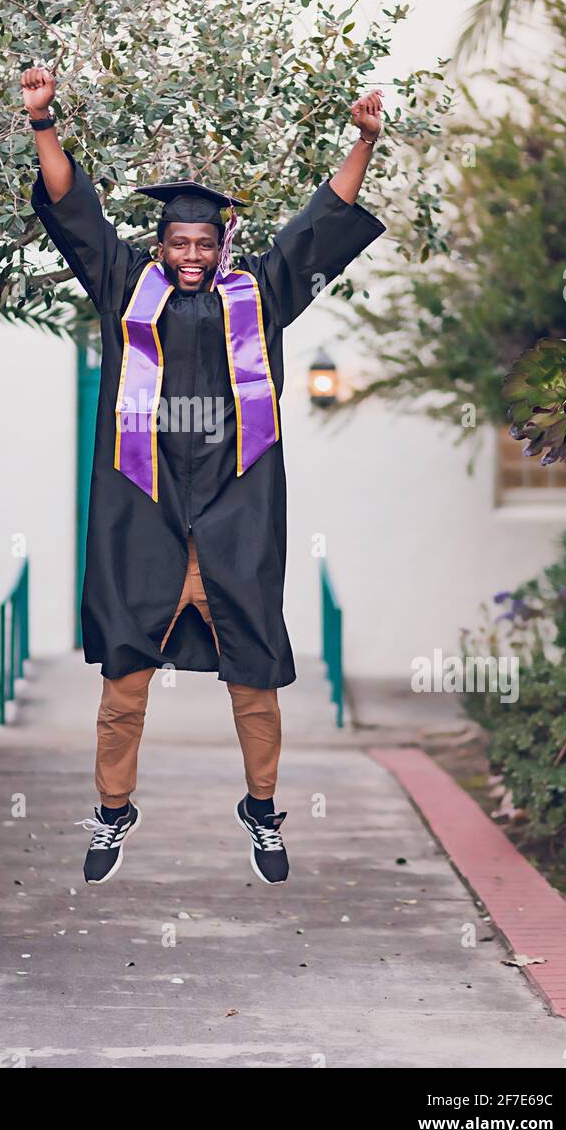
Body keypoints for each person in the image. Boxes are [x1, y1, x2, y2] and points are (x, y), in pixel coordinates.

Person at [23, 65, 386, 885]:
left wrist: (363, 140)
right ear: (161, 248)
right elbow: (75, 218)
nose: (191, 255)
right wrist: (44, 125)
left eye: (204, 244)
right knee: (123, 681)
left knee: (254, 683)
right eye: (178, 244)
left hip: (236, 515)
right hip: (143, 517)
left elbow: (319, 224)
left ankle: (261, 810)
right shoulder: (124, 290)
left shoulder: (260, 293)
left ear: (224, 245)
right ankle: (114, 812)